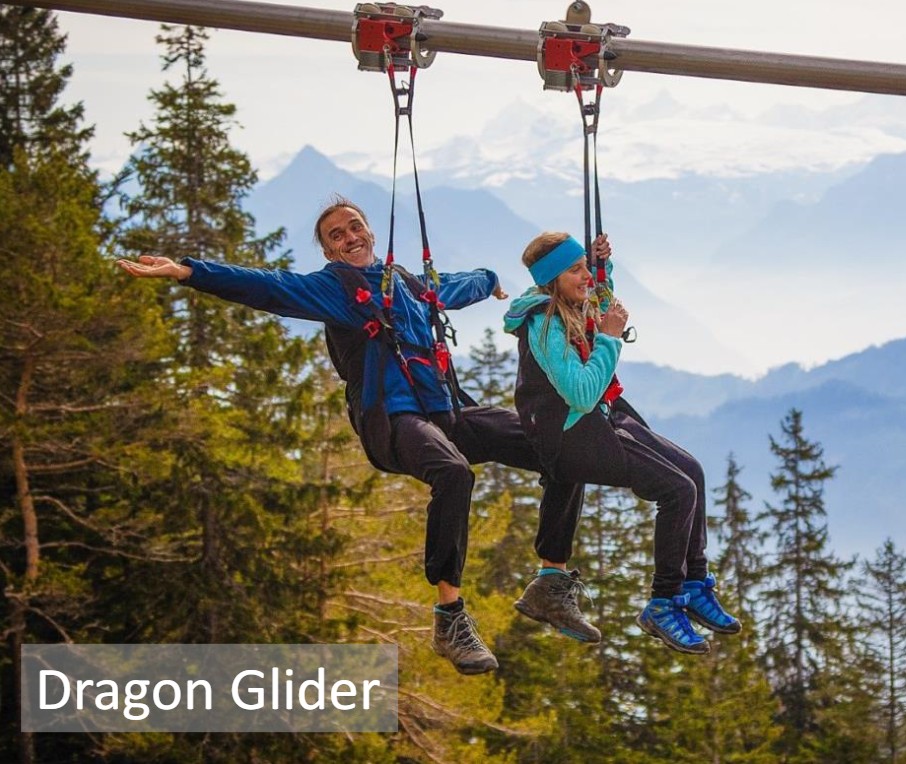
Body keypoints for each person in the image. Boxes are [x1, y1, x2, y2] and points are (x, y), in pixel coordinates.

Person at [117, 197, 599, 674]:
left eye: (354, 227)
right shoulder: (333, 289)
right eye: (337, 235)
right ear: (329, 251)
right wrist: (188, 272)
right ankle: (450, 617)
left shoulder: (406, 282)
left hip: (447, 413)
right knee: (453, 473)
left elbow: (453, 285)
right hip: (393, 420)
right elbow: (268, 286)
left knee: (565, 445)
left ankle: (550, 582)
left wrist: (489, 280)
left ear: (370, 231)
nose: (349, 237)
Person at [502, 232, 740, 655]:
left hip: (599, 418)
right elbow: (580, 393)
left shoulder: (573, 304)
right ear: (553, 280)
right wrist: (610, 339)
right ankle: (663, 602)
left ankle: (693, 581)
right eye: (575, 270)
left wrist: (601, 266)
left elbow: (598, 294)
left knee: (693, 472)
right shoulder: (545, 326)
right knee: (677, 490)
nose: (585, 278)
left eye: (584, 267)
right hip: (572, 435)